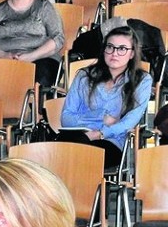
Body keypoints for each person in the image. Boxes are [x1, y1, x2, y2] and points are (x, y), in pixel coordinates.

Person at [59, 25, 152, 168]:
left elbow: (129, 122)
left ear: (132, 53)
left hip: (111, 141)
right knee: (61, 152)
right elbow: (66, 118)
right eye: (110, 47)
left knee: (78, 157)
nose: (114, 53)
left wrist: (99, 133)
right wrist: (102, 117)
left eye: (122, 49)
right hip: (76, 135)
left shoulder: (142, 80)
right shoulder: (84, 76)